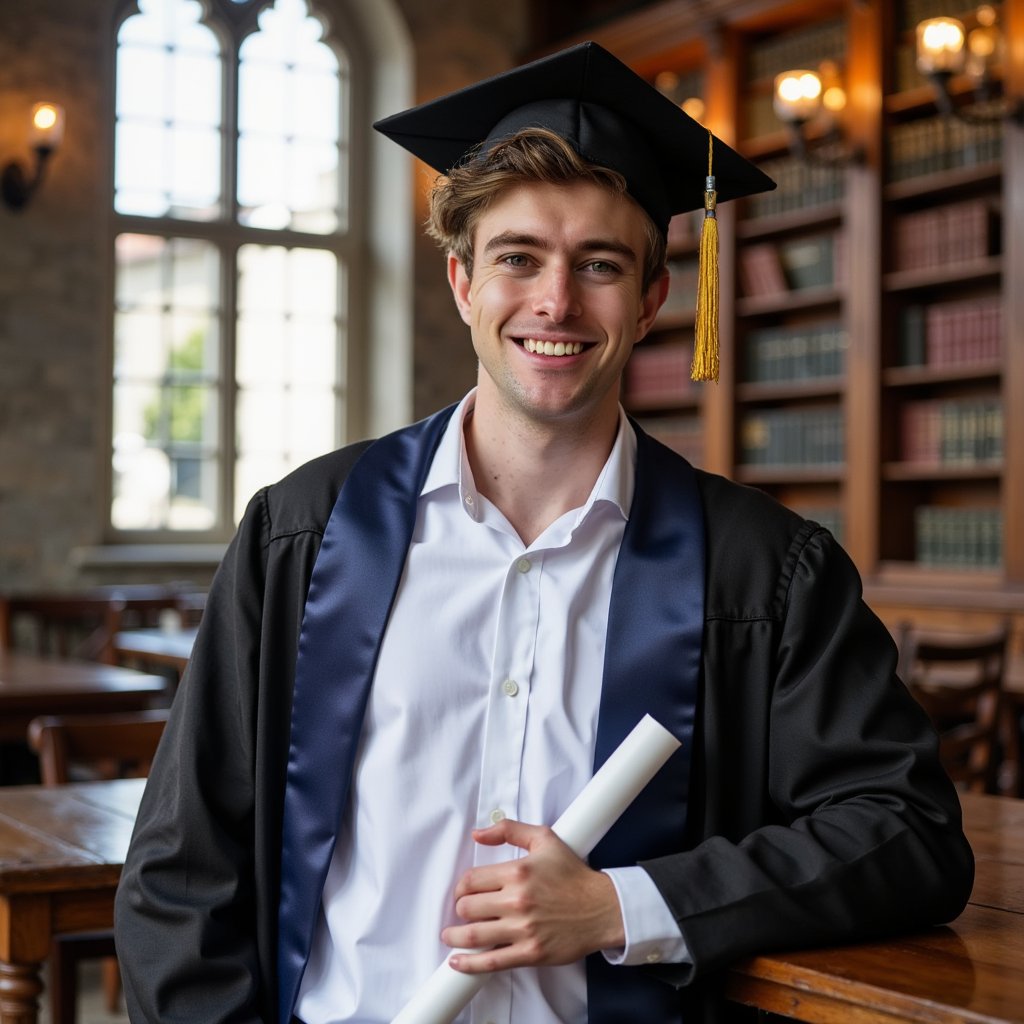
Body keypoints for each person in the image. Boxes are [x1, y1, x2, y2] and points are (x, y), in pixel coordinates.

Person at [114, 41, 974, 1024]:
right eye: (517, 258)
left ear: (652, 298)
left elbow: (906, 834)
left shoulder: (762, 575)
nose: (555, 302)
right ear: (461, 284)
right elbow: (183, 875)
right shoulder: (303, 535)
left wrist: (621, 904)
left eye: (599, 265)